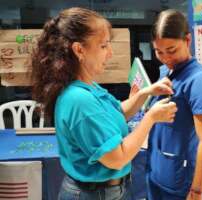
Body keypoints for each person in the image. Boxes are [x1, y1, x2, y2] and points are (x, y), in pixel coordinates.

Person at [30, 7, 177, 200]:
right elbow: (118, 158)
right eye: (103, 46)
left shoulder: (87, 87)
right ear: (79, 49)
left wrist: (144, 93)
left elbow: (117, 113)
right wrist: (150, 118)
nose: (109, 53)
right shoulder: (80, 100)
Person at [147, 9, 202, 200]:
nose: (166, 58)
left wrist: (197, 190)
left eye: (172, 50)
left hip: (181, 182)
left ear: (188, 40)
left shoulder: (200, 81)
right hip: (157, 172)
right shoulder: (166, 72)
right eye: (159, 52)